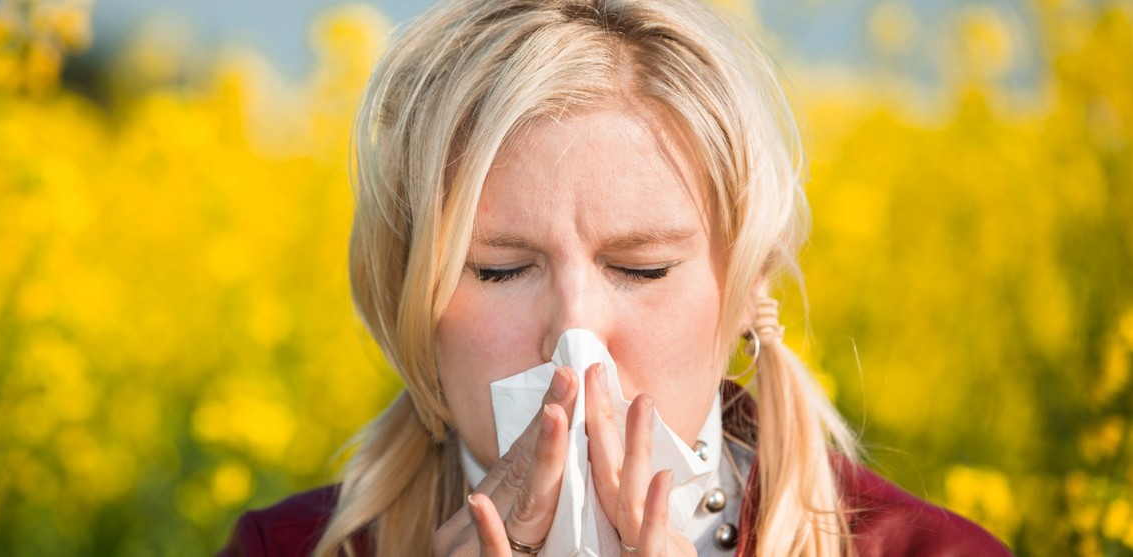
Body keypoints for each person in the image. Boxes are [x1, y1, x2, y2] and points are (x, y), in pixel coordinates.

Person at [218, 0, 1014, 555]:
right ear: (408, 298)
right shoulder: (287, 550)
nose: (576, 334)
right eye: (498, 270)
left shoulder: (932, 553)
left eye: (642, 267)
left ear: (748, 292)